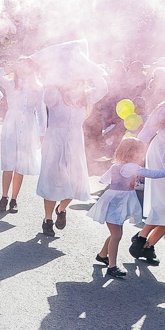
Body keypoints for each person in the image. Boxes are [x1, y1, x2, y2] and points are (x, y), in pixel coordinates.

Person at [37, 77, 108, 237]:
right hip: (55, 141)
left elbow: (103, 87)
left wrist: (90, 68)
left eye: (79, 78)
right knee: (52, 181)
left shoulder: (86, 96)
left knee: (75, 182)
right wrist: (57, 75)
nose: (75, 81)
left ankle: (61, 209)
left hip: (75, 142)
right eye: (73, 77)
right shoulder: (55, 94)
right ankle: (48, 220)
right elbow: (46, 95)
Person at [89, 137, 165, 278]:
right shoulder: (132, 167)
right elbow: (152, 174)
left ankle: (102, 255)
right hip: (117, 204)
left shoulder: (116, 165)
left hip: (112, 202)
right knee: (117, 235)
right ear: (134, 153)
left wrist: (119, 181)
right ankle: (112, 267)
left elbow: (103, 179)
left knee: (115, 235)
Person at [0, 58, 45, 213]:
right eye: (20, 66)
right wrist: (10, 67)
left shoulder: (38, 87)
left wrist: (42, 133)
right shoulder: (10, 84)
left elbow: (41, 111)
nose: (23, 69)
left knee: (20, 164)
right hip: (11, 124)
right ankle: (4, 196)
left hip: (29, 125)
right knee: (8, 163)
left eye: (26, 66)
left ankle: (14, 199)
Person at [130, 99, 165, 264]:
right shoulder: (163, 107)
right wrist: (132, 155)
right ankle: (143, 239)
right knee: (162, 202)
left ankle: (146, 244)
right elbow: (147, 131)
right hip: (160, 154)